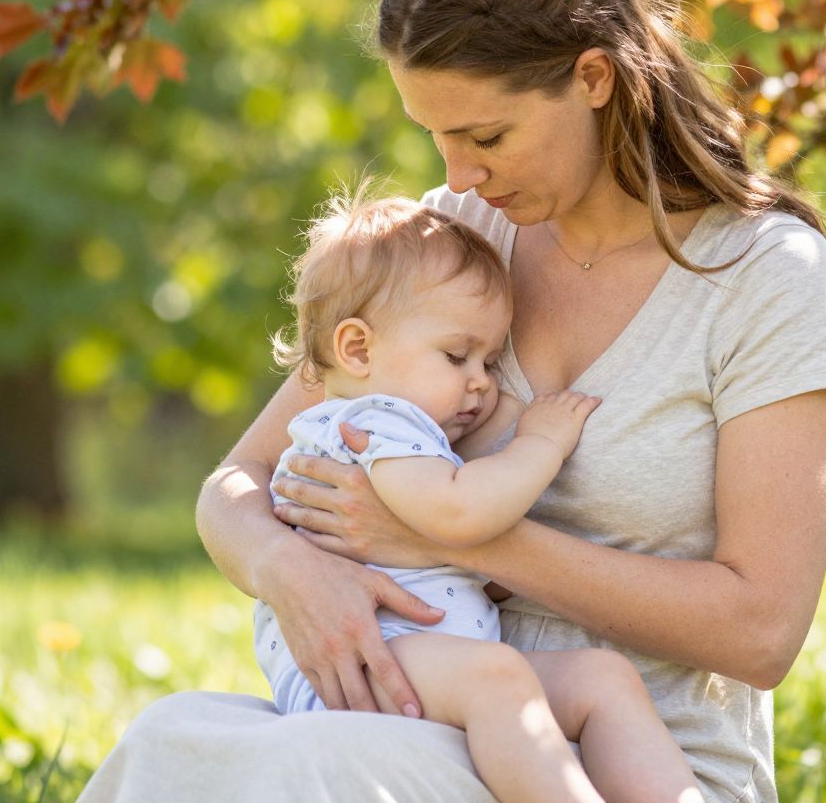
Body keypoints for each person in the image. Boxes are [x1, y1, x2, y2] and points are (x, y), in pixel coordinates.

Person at [80, 0, 826, 802]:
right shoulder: (451, 242)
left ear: (594, 79)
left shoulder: (761, 274)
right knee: (171, 739)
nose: (458, 176)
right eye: (437, 138)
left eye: (485, 135)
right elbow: (236, 487)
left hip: (637, 761)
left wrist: (455, 534)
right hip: (425, 718)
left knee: (320, 773)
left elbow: (761, 631)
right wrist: (289, 569)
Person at [252, 188, 706, 803]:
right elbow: (461, 513)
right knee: (499, 679)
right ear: (357, 349)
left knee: (602, 678)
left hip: (431, 665)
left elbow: (440, 558)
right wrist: (539, 444)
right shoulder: (372, 422)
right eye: (457, 355)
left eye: (490, 362)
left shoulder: (404, 430)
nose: (479, 384)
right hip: (367, 667)